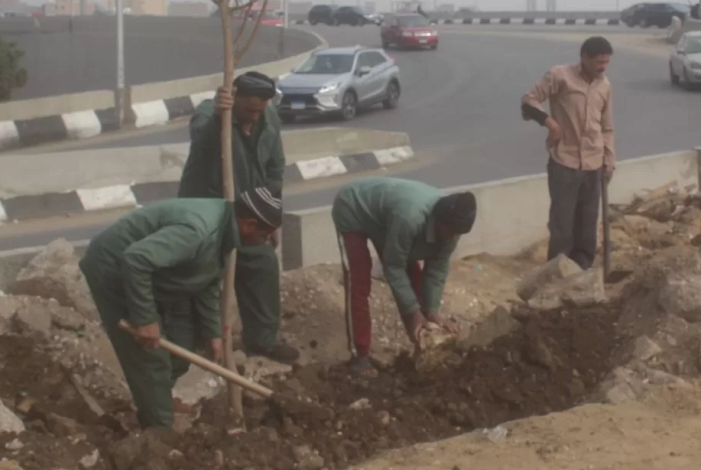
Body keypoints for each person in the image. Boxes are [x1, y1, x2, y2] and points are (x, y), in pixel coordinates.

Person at [78, 189, 283, 429]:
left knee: (182, 345)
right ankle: (159, 431)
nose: (266, 242)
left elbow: (204, 278)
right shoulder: (197, 231)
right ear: (249, 225)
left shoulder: (225, 228)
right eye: (265, 235)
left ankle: (158, 399)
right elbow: (135, 260)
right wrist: (145, 319)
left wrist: (212, 332)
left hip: (156, 272)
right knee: (150, 357)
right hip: (115, 268)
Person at [178, 71, 299, 364]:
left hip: (248, 216)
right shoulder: (210, 113)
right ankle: (197, 343)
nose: (255, 117)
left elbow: (274, 170)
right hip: (207, 212)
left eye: (260, 110)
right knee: (202, 277)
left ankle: (261, 340)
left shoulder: (269, 121)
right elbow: (201, 140)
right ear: (235, 98)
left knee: (263, 263)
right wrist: (221, 118)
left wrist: (269, 217)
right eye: (249, 110)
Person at [332, 177, 478, 376]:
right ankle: (360, 355)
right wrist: (414, 311)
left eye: (457, 233)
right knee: (360, 279)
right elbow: (393, 267)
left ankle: (424, 346)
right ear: (439, 221)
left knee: (414, 279)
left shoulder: (453, 229)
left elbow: (436, 270)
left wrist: (432, 311)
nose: (452, 237)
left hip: (385, 217)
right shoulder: (410, 218)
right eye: (450, 231)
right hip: (354, 208)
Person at [521, 36, 616, 269]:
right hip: (564, 162)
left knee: (587, 224)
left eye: (606, 63)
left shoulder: (605, 85)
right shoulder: (559, 75)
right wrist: (550, 123)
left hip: (594, 164)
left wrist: (609, 159)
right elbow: (528, 101)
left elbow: (606, 127)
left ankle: (582, 271)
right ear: (584, 57)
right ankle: (558, 272)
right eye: (599, 62)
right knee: (562, 225)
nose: (603, 67)